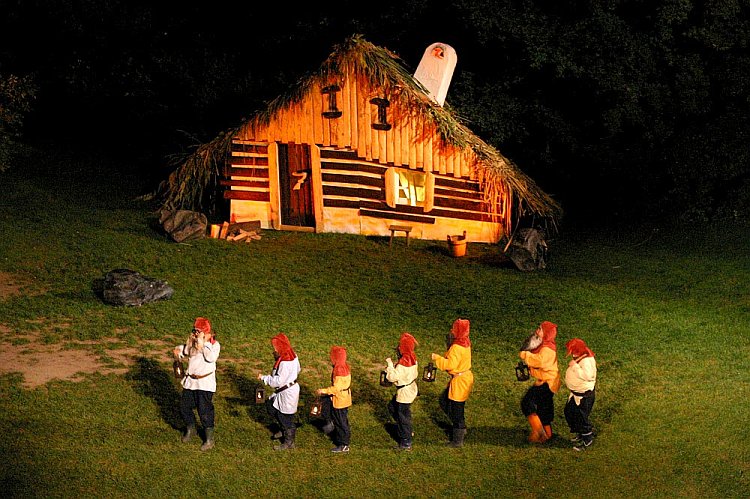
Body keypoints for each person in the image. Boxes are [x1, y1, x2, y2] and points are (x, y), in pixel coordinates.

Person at [173, 317, 221, 451]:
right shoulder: (193, 343)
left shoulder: (214, 345)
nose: (195, 334)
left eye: (198, 332)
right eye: (194, 331)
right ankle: (191, 428)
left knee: (204, 411)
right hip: (191, 382)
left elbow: (210, 357)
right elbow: (186, 351)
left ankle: (209, 439)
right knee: (184, 406)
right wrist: (178, 350)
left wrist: (203, 343)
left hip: (205, 384)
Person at [431, 318, 474, 448]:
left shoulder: (457, 347)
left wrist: (437, 358)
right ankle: (460, 427)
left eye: (454, 328)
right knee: (445, 401)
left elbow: (450, 364)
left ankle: (458, 439)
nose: (452, 330)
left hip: (460, 381)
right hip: (463, 378)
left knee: (456, 410)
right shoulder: (465, 342)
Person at [519, 320, 560, 443]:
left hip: (547, 383)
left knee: (527, 403)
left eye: (541, 329)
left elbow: (540, 361)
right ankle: (547, 434)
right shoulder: (546, 346)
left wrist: (525, 355)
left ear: (547, 333)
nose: (538, 330)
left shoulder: (547, 349)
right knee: (544, 408)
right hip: (547, 381)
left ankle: (538, 431)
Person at [258, 333, 301, 451]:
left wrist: (264, 378)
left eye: (275, 348)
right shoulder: (293, 355)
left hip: (287, 393)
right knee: (271, 407)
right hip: (286, 390)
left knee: (285, 417)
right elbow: (298, 369)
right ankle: (283, 430)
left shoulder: (284, 363)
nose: (274, 350)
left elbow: (277, 381)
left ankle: (288, 442)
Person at [384, 332, 419, 451]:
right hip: (410, 388)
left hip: (405, 392)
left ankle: (406, 442)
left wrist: (389, 365)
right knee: (392, 407)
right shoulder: (412, 358)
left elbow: (392, 377)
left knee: (403, 415)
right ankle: (406, 430)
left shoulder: (404, 363)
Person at [316, 346, 352, 453]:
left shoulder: (339, 369)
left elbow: (336, 388)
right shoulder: (344, 366)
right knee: (327, 406)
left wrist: (323, 391)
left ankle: (344, 444)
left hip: (339, 399)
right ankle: (330, 424)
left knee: (341, 422)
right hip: (343, 398)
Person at [564, 338, 597, 451]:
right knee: (569, 412)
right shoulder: (581, 356)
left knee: (581, 418)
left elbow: (589, 376)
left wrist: (575, 366)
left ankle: (587, 439)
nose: (572, 354)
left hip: (584, 396)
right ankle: (580, 433)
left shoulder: (586, 360)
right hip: (575, 394)